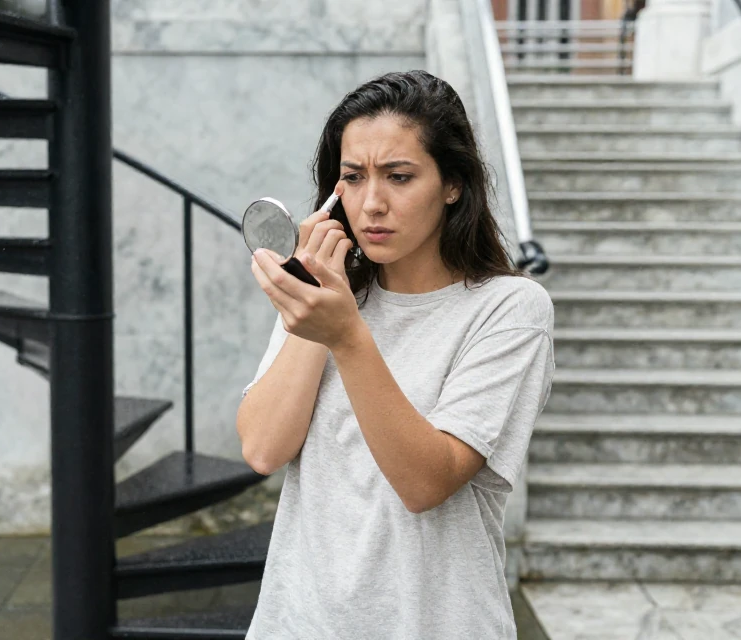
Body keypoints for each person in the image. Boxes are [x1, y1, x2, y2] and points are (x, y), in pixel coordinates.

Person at [236, 70, 555, 638]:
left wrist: (346, 336)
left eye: (399, 177)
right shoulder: (330, 294)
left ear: (452, 183)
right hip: (299, 622)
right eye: (353, 178)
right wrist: (320, 298)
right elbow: (262, 449)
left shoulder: (509, 309)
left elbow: (425, 483)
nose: (372, 203)